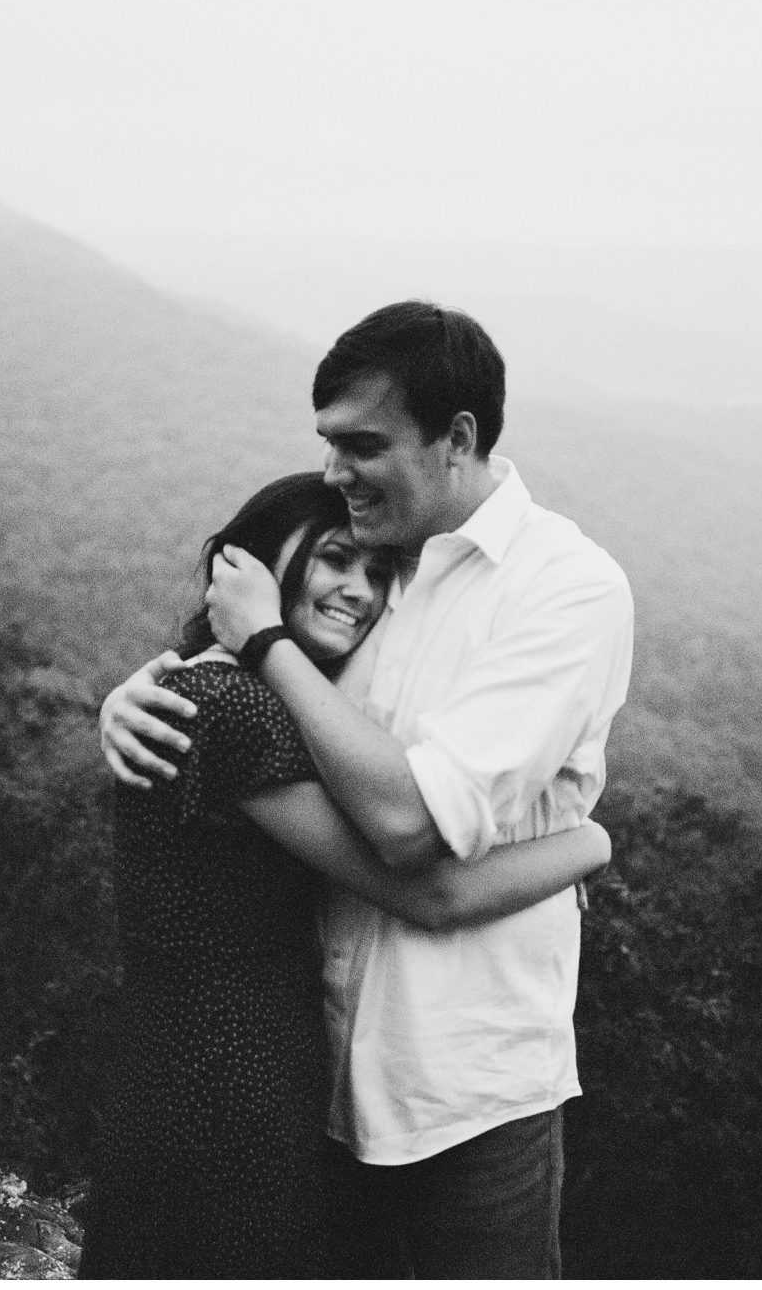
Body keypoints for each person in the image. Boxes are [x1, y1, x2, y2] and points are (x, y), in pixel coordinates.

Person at [101, 302, 635, 1277]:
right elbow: (271, 675)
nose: (336, 473)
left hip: (466, 1089)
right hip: (322, 1078)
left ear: (456, 438)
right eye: (327, 445)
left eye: (360, 445)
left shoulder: (562, 588)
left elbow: (407, 823)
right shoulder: (388, 565)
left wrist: (253, 647)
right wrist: (140, 686)